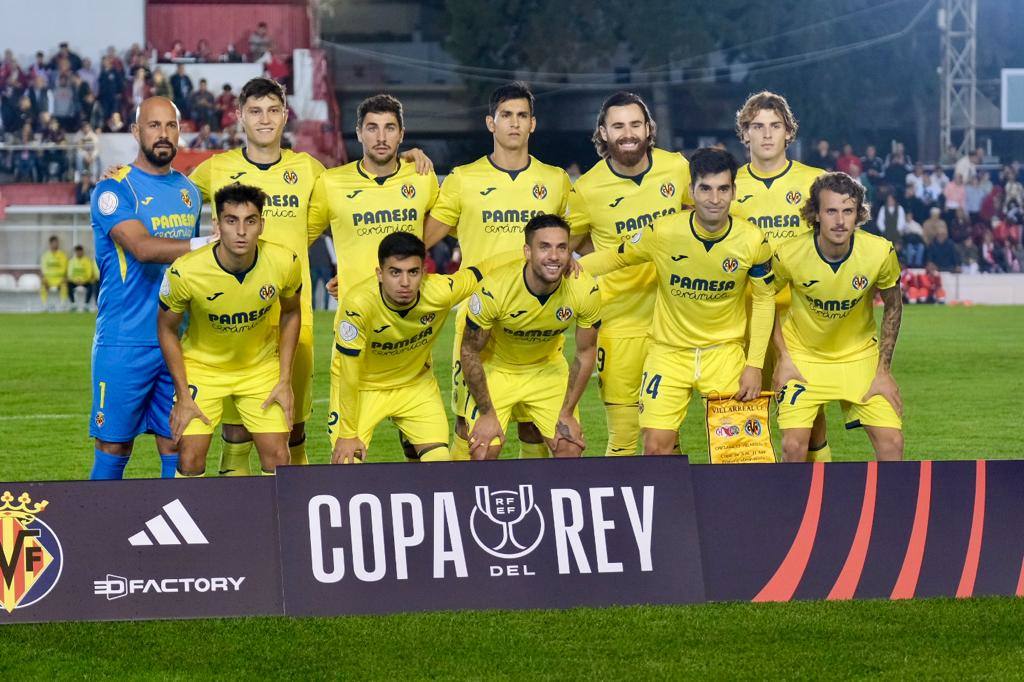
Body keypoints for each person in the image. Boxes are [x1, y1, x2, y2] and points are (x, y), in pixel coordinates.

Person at [580, 148, 775, 454]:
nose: (715, 199)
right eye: (705, 189)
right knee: (656, 447)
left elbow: (765, 300)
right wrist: (563, 268)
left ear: (734, 191)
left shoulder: (753, 240)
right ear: (691, 191)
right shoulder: (663, 232)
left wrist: (754, 365)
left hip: (723, 353)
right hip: (668, 354)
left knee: (739, 452)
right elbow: (615, 258)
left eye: (723, 189)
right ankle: (672, 503)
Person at [422, 81, 572, 461]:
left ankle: (534, 508)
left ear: (533, 124)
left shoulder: (554, 181)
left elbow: (577, 239)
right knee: (472, 434)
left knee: (535, 428)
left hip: (538, 322)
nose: (514, 124)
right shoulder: (462, 179)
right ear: (491, 122)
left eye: (522, 116)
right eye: (506, 115)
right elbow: (421, 239)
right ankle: (461, 504)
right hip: (480, 324)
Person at [189, 77, 326, 475]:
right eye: (255, 111)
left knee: (292, 427)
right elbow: (166, 191)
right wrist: (123, 176)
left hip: (291, 315)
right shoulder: (217, 169)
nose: (264, 120)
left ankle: (296, 519)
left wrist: (412, 160)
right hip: (232, 319)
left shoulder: (309, 169)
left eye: (272, 110)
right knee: (236, 434)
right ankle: (237, 527)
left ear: (285, 115)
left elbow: (357, 194)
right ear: (239, 116)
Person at [565, 91, 692, 456]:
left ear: (649, 128)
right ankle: (621, 514)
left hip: (673, 324)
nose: (628, 133)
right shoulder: (587, 189)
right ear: (603, 132)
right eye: (618, 126)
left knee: (668, 436)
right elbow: (569, 249)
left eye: (636, 124)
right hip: (619, 325)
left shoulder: (676, 168)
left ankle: (670, 511)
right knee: (623, 436)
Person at [88, 96, 208, 480]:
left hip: (174, 339)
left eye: (171, 126)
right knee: (114, 444)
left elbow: (188, 268)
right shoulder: (113, 190)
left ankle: (175, 538)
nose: (163, 134)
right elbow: (141, 249)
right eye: (154, 126)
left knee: (176, 441)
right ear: (136, 132)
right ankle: (98, 533)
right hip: (124, 340)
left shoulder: (191, 193)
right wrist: (207, 244)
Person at [329, 232, 515, 463]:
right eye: (395, 272)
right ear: (380, 274)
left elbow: (486, 268)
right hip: (363, 388)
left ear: (424, 273)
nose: (405, 282)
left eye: (413, 272)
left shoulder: (440, 291)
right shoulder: (358, 304)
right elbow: (348, 373)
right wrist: (347, 434)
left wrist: (541, 256)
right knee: (346, 464)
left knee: (439, 464)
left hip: (415, 385)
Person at [157, 183, 300, 477]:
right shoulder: (186, 271)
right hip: (203, 368)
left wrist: (285, 379)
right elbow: (167, 329)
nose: (241, 231)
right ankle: (195, 522)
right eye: (231, 220)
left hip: (258, 368)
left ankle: (269, 522)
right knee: (190, 457)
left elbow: (292, 312)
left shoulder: (284, 262)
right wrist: (183, 395)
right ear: (217, 224)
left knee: (279, 458)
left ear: (262, 224)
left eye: (250, 221)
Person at [772, 172, 904, 462]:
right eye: (831, 211)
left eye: (848, 211)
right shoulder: (790, 254)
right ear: (816, 214)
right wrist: (784, 358)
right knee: (794, 447)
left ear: (858, 214)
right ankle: (792, 507)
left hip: (859, 357)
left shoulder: (879, 252)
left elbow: (894, 306)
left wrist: (883, 371)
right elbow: (764, 300)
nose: (840, 220)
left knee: (892, 442)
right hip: (804, 357)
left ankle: (889, 508)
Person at [731, 90, 832, 462]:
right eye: (757, 127)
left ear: (789, 132)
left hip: (801, 318)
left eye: (775, 126)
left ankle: (820, 499)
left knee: (809, 419)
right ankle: (753, 503)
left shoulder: (816, 182)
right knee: (744, 411)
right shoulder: (728, 187)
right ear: (745, 134)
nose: (767, 135)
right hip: (744, 317)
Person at [462, 214, 601, 460]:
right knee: (482, 452)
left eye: (562, 248)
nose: (554, 256)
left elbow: (586, 352)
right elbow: (469, 351)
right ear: (527, 251)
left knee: (570, 448)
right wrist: (486, 413)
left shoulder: (584, 288)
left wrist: (567, 412)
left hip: (546, 369)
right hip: (497, 370)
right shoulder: (496, 288)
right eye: (544, 247)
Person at [67, 244, 99, 311]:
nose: (79, 253)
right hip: (74, 281)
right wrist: (75, 280)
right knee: (68, 284)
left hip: (85, 281)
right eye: (77, 251)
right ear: (75, 252)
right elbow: (69, 274)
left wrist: (83, 280)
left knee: (92, 285)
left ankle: (86, 304)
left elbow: (89, 273)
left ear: (82, 251)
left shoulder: (87, 261)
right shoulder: (72, 261)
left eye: (80, 251)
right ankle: (73, 304)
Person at [40, 235, 68, 310]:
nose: (56, 244)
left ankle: (63, 305)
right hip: (48, 278)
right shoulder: (45, 256)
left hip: (59, 278)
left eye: (57, 243)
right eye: (54, 243)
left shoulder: (62, 255)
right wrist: (44, 279)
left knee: (64, 285)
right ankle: (44, 305)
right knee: (43, 285)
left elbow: (65, 268)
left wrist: (64, 277)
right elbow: (43, 269)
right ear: (50, 244)